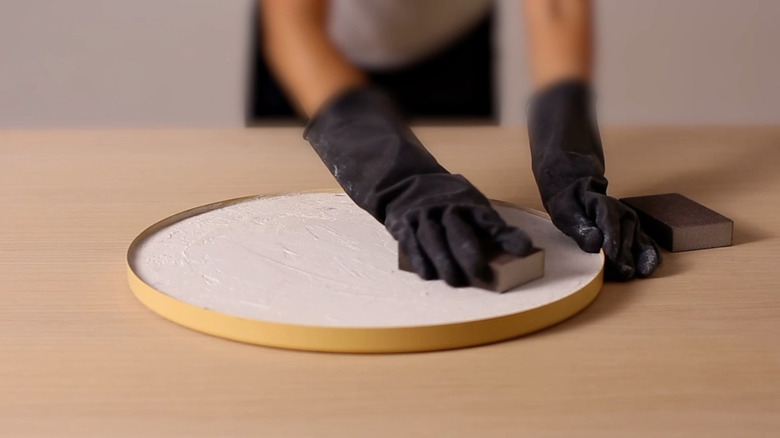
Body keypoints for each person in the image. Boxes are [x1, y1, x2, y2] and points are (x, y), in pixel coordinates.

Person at [259, 0, 661, 287]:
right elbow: (293, 26)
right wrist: (398, 176)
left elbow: (556, 7)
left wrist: (568, 152)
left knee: (460, 234)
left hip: (451, 46)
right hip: (319, 61)